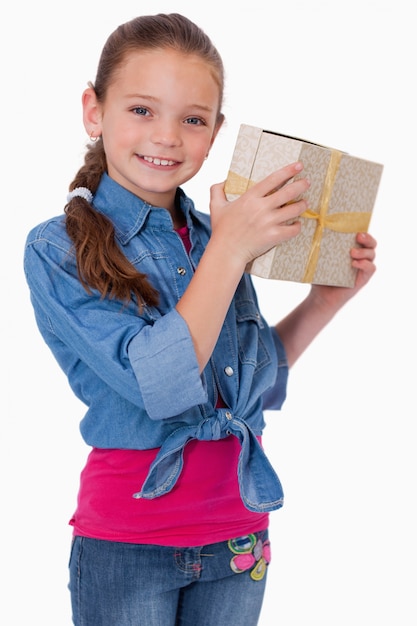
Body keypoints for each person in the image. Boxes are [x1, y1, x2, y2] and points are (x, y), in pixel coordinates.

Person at [23, 13, 377, 626]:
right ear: (93, 110)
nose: (166, 136)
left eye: (192, 119)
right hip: (130, 539)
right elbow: (159, 384)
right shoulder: (57, 249)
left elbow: (250, 381)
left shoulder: (216, 237)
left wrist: (326, 298)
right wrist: (231, 251)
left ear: (215, 133)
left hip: (239, 531)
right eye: (141, 110)